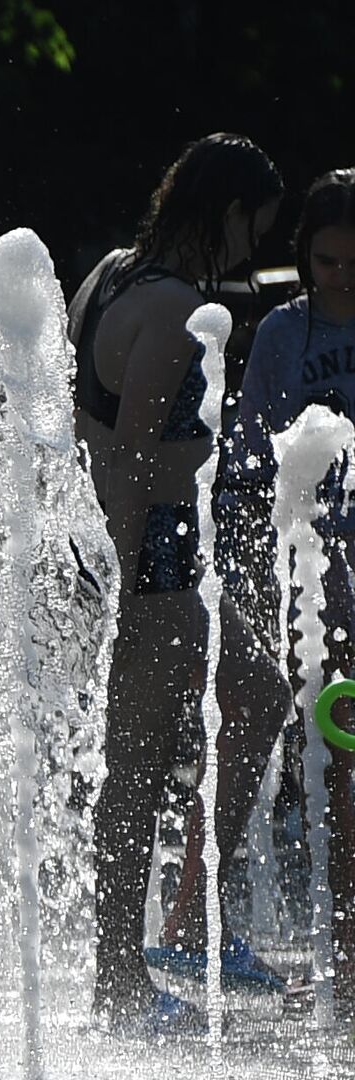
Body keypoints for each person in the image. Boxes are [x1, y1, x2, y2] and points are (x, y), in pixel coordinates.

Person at [67, 132, 290, 1032]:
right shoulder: (168, 308)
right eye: (255, 227)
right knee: (135, 770)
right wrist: (121, 593)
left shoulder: (116, 271)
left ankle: (186, 924)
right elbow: (128, 456)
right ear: (224, 211)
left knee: (259, 692)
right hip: (148, 562)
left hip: (152, 555)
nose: (256, 249)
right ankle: (118, 979)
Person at [221, 167, 355, 984]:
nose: (342, 277)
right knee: (335, 765)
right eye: (329, 262)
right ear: (305, 257)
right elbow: (245, 464)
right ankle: (340, 940)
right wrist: (254, 571)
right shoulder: (280, 336)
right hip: (315, 580)